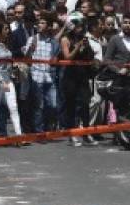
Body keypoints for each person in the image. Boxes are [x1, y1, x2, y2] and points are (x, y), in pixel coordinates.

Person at [60, 18, 96, 147]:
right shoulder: (65, 39)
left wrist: (86, 46)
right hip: (70, 77)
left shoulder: (84, 39)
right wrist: (78, 47)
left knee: (85, 104)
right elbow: (67, 57)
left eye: (81, 27)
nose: (80, 29)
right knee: (71, 106)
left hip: (82, 76)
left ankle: (86, 133)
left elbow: (91, 56)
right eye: (77, 27)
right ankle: (71, 134)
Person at [0, 22, 23, 141]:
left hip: (8, 79)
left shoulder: (6, 45)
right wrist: (1, 81)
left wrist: (14, 69)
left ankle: (19, 135)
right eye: (6, 28)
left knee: (13, 107)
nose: (8, 31)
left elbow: (8, 63)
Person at [26, 16, 61, 136]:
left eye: (43, 22)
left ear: (48, 26)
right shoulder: (32, 39)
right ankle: (39, 131)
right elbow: (26, 59)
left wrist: (54, 59)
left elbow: (56, 58)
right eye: (39, 23)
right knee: (39, 105)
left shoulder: (54, 42)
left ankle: (48, 126)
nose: (40, 25)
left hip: (50, 76)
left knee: (53, 104)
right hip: (36, 76)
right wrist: (31, 49)